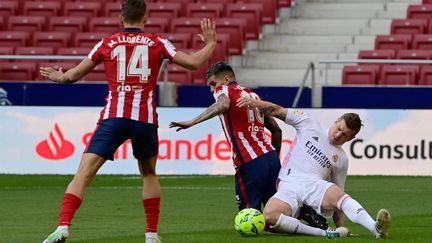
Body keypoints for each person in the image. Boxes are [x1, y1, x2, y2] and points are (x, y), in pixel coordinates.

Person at [40, 0, 217, 242]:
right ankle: (152, 235)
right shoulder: (157, 42)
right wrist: (211, 44)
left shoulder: (107, 43)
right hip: (144, 120)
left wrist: (57, 76)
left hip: (114, 117)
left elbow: (71, 76)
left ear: (120, 18)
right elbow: (195, 63)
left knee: (83, 173)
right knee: (148, 175)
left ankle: (63, 227)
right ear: (145, 17)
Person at [236, 97, 392, 239]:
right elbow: (277, 110)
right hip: (288, 184)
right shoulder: (308, 123)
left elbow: (339, 199)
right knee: (269, 216)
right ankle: (325, 233)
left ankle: (375, 228)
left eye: (344, 135)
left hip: (314, 186)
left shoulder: (341, 159)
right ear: (336, 121)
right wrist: (257, 104)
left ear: (351, 138)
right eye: (338, 128)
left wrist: (341, 225)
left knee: (339, 196)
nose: (338, 135)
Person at [169, 61, 282, 212]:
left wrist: (192, 122)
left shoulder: (224, 90)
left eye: (213, 83)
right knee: (274, 216)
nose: (212, 89)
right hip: (271, 159)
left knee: (248, 217)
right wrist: (275, 158)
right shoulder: (253, 95)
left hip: (249, 160)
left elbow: (223, 105)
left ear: (226, 79)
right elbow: (277, 130)